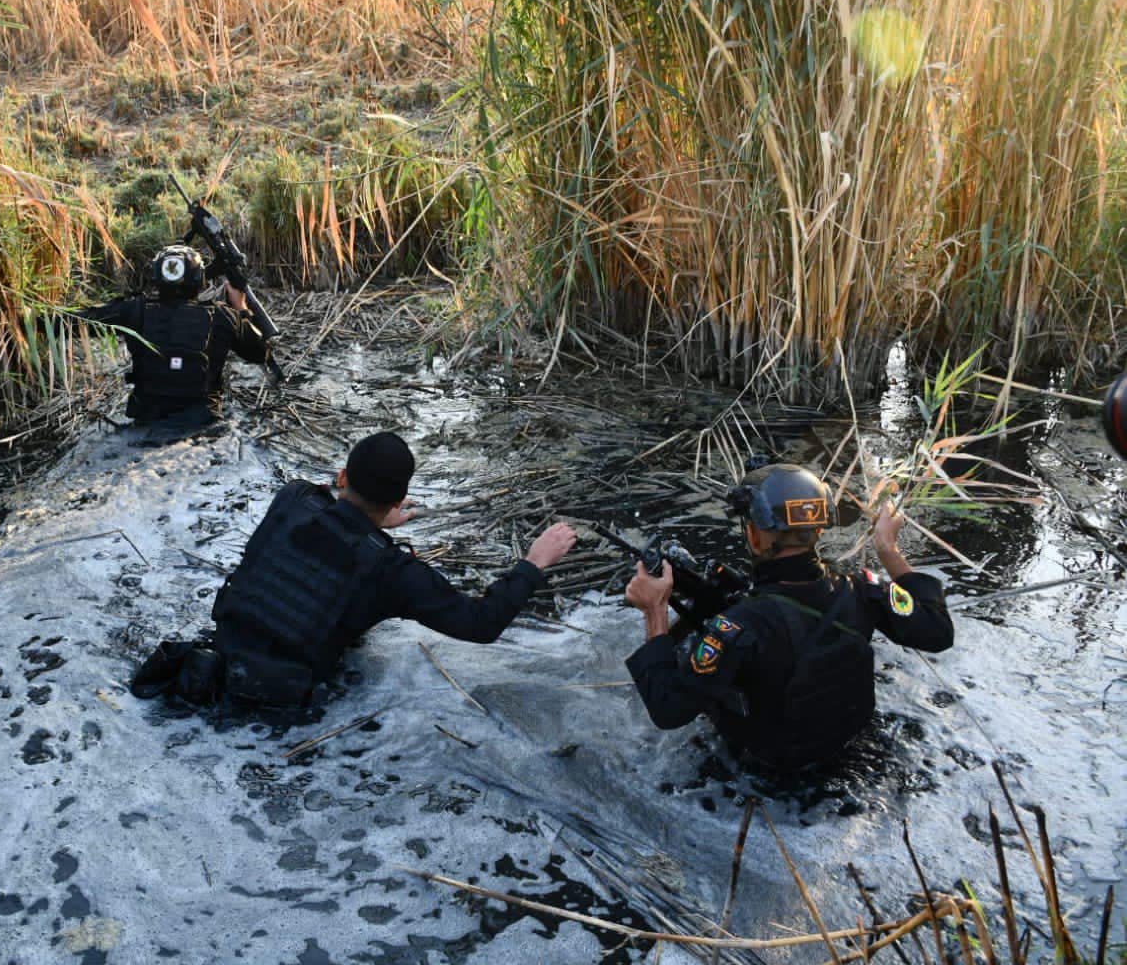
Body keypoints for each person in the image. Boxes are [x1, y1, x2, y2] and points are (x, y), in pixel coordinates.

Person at [132, 431, 578, 706]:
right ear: (400, 500)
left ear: (343, 477)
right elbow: (481, 625)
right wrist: (534, 562)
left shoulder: (292, 498)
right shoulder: (391, 572)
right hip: (278, 704)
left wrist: (374, 519)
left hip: (207, 669)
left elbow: (328, 522)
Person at [622, 463, 955, 771]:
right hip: (850, 745)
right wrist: (887, 547)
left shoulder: (739, 625)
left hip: (769, 768)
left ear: (753, 535)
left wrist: (655, 611)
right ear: (819, 530)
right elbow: (938, 632)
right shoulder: (863, 590)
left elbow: (668, 710)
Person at [84, 244, 268, 422]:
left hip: (147, 420)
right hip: (202, 425)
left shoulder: (133, 310)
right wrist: (241, 308)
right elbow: (260, 353)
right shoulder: (223, 316)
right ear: (200, 279)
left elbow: (78, 321)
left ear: (156, 276)